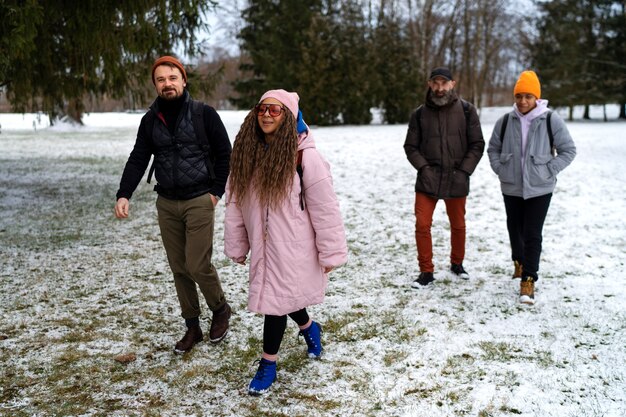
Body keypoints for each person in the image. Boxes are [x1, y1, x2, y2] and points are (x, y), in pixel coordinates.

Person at [224, 89, 347, 395]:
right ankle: (309, 327)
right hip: (263, 243)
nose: (267, 114)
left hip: (294, 246)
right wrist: (238, 243)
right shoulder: (246, 154)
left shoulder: (306, 157)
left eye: (275, 110)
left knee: (275, 304)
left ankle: (268, 364)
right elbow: (236, 202)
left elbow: (325, 208)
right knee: (280, 297)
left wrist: (330, 252)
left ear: (289, 116)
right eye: (262, 109)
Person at [114, 56, 232, 353]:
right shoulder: (150, 120)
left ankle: (220, 308)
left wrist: (216, 192)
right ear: (155, 85)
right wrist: (124, 193)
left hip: (199, 199)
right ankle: (192, 325)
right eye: (161, 80)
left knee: (197, 263)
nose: (167, 84)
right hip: (166, 202)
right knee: (179, 267)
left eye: (172, 78)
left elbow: (225, 153)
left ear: (183, 80)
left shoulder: (204, 114)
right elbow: (139, 157)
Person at [487, 70, 576, 304]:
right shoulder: (505, 120)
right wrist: (500, 168)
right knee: (514, 228)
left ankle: (528, 279)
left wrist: (548, 169)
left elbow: (568, 150)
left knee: (532, 233)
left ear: (537, 97)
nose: (523, 101)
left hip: (540, 187)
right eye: (519, 96)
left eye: (528, 96)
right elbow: (493, 148)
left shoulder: (550, 119)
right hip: (512, 186)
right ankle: (519, 260)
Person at [404, 67, 485, 287]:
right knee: (422, 225)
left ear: (453, 84)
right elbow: (410, 147)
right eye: (436, 83)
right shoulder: (419, 114)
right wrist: (424, 168)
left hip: (457, 177)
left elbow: (477, 144)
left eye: (444, 83)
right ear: (430, 84)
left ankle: (457, 264)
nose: (440, 88)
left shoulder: (467, 111)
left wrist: (464, 171)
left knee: (458, 225)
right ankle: (426, 271)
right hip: (428, 180)